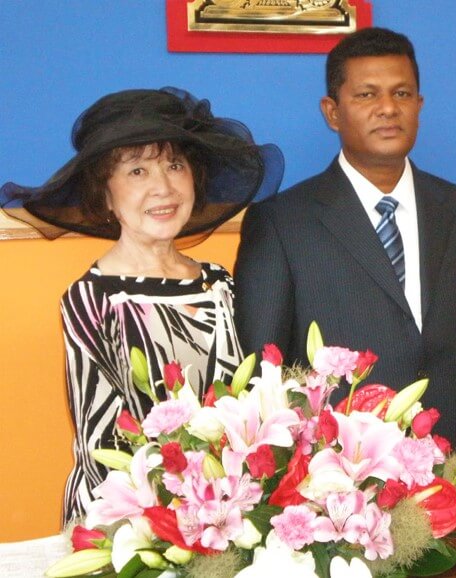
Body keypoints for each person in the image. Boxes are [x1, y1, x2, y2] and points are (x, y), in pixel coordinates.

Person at [234, 27, 456, 546]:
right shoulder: (282, 223)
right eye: (366, 94)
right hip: (339, 496)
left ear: (419, 104)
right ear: (332, 112)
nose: (387, 108)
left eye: (401, 93)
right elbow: (263, 376)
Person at [0, 87, 284, 525]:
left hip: (227, 513)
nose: (163, 187)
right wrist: (167, 527)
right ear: (105, 195)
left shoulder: (221, 283)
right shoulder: (93, 298)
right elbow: (102, 446)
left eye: (175, 165)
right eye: (137, 171)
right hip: (132, 525)